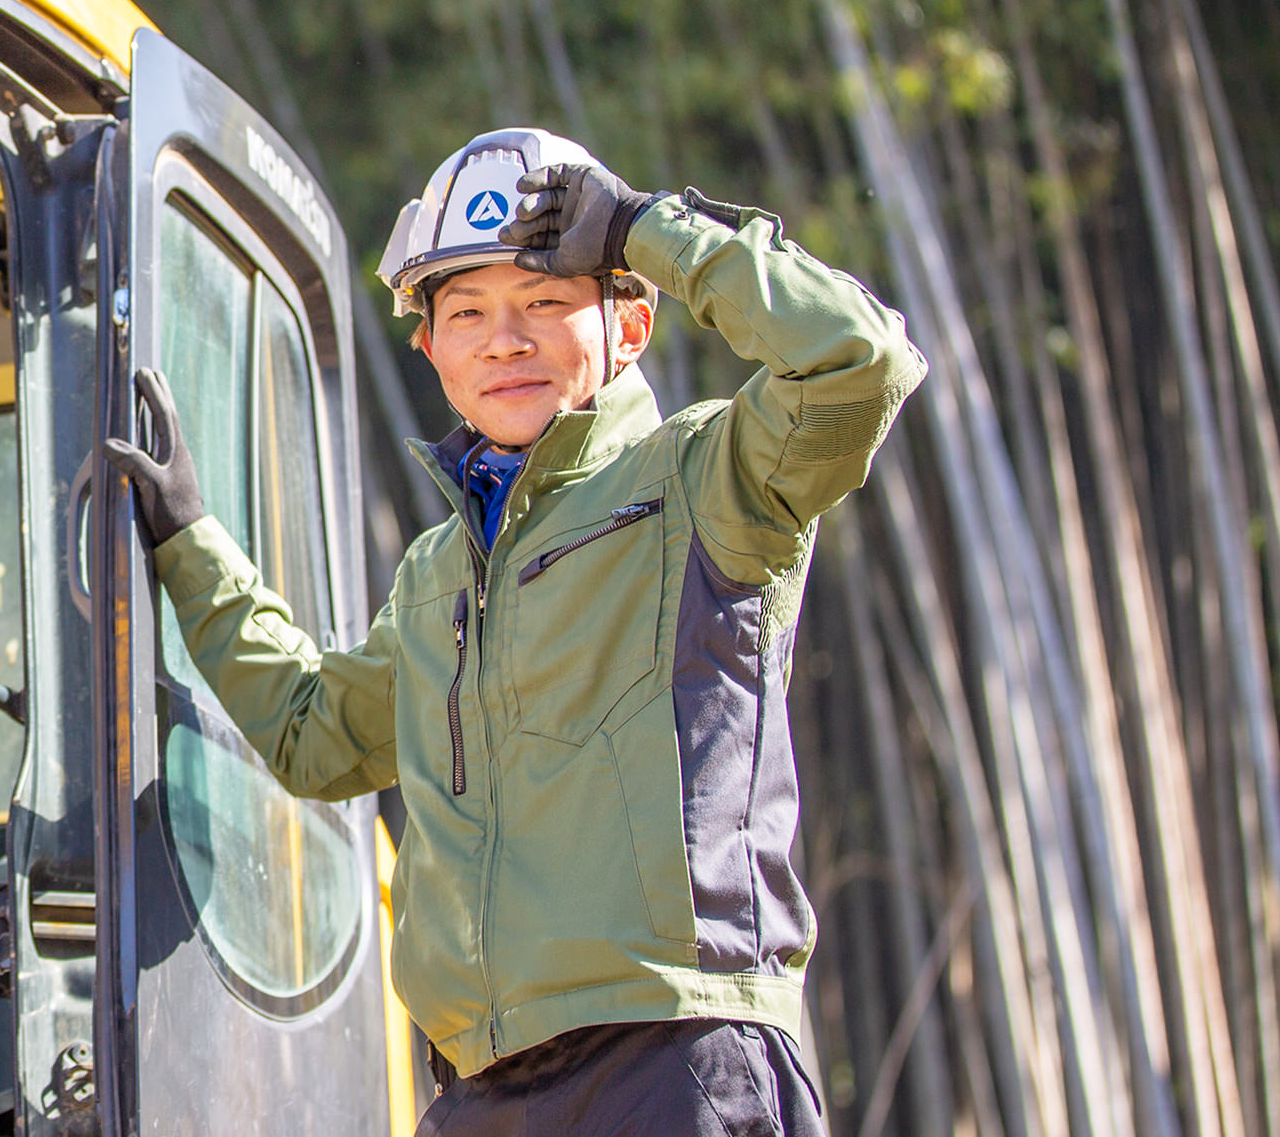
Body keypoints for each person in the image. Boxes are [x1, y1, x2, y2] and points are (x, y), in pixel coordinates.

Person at [104, 128, 924, 1135]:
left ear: (628, 325)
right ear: (429, 346)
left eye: (544, 301)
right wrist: (187, 541)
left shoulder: (703, 481)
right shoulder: (435, 574)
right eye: (466, 311)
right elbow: (314, 734)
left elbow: (854, 361)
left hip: (674, 1061)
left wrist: (640, 227)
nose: (504, 339)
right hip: (480, 1094)